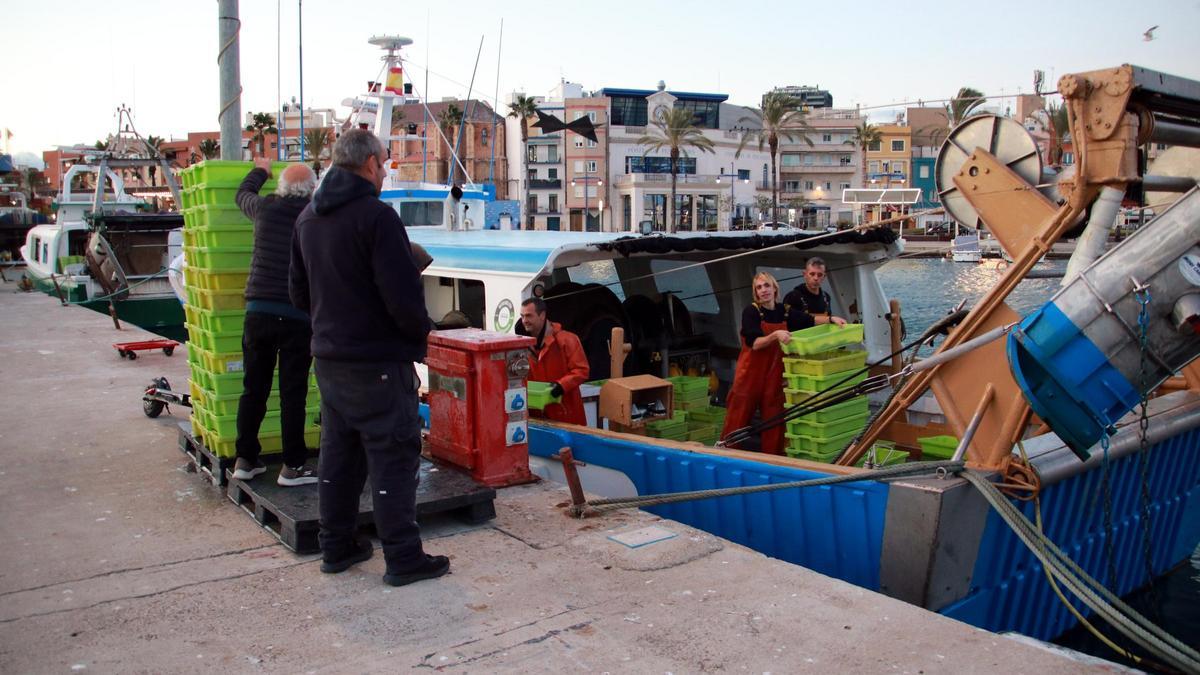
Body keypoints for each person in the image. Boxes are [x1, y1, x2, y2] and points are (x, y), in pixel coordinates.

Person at [290, 128, 449, 586]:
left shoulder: (308, 218)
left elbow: (298, 294)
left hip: (330, 361)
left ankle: (336, 547)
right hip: (378, 364)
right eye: (384, 162)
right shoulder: (377, 219)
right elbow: (403, 299)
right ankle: (403, 558)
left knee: (339, 458)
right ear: (369, 165)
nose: (385, 171)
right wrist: (422, 342)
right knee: (393, 458)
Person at [231, 158, 319, 487]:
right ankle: (292, 467)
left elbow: (242, 193)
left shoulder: (264, 208)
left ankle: (245, 460)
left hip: (259, 312)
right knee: (292, 394)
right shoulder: (314, 216)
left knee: (254, 388)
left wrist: (261, 170)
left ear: (281, 188)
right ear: (311, 190)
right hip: (297, 315)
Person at [721, 272, 847, 455]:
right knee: (738, 415)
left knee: (775, 418)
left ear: (775, 289)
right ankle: (725, 452)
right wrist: (775, 335)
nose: (763, 290)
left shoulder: (784, 311)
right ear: (755, 293)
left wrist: (831, 319)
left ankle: (773, 458)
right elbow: (754, 343)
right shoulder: (751, 311)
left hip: (774, 374)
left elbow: (809, 319)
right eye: (759, 287)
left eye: (767, 285)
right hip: (750, 374)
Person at [516, 298, 589, 425]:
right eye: (522, 316)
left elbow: (582, 370)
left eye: (529, 316)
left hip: (566, 416)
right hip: (536, 417)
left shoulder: (567, 339)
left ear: (542, 315)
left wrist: (561, 386)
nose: (524, 320)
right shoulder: (520, 344)